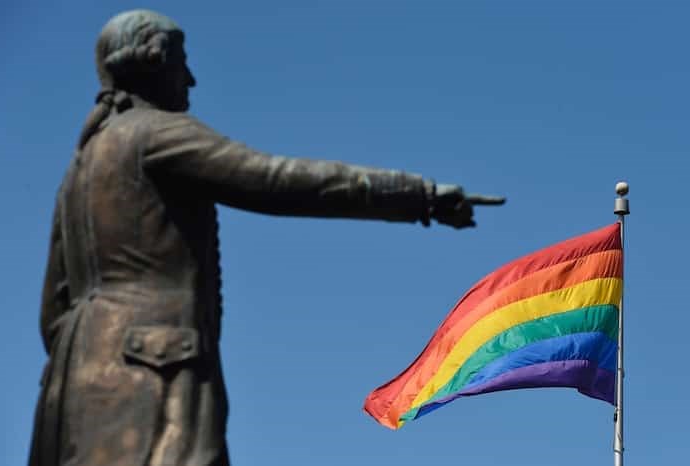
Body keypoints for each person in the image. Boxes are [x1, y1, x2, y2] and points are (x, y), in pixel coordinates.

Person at [29, 10, 504, 466]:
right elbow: (280, 181)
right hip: (155, 365)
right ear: (153, 62)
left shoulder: (81, 167)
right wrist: (416, 196)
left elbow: (53, 310)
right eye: (181, 61)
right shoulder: (155, 135)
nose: (190, 79)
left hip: (74, 384)